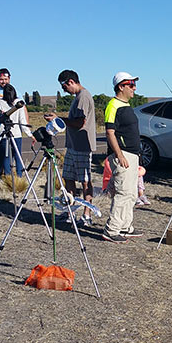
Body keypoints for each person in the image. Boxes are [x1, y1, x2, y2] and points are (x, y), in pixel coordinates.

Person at [45, 69, 97, 226]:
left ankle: (86, 215)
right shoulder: (78, 97)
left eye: (63, 86)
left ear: (71, 82)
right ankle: (69, 211)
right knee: (68, 178)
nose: (63, 90)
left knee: (85, 181)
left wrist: (60, 120)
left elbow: (80, 123)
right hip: (73, 146)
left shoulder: (84, 97)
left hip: (82, 146)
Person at [102, 72, 142, 243]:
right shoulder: (113, 105)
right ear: (121, 86)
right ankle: (112, 229)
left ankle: (126, 227)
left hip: (133, 154)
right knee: (123, 192)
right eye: (131, 84)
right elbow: (110, 132)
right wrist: (119, 154)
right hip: (123, 154)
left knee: (132, 193)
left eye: (134, 84)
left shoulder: (126, 106)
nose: (134, 88)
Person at [0, 88, 34, 177]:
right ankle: (17, 176)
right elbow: (22, 120)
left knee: (7, 156)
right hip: (13, 133)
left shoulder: (0, 102)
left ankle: (9, 176)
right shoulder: (16, 102)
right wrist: (29, 134)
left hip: (5, 133)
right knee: (17, 155)